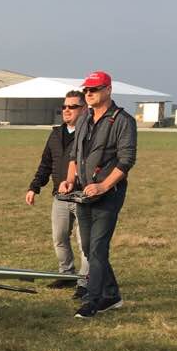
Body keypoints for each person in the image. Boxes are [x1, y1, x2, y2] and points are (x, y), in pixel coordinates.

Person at [58, 70, 137, 319]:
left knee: (98, 248)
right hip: (83, 193)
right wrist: (70, 180)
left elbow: (126, 161)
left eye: (94, 89)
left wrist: (104, 186)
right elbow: (74, 155)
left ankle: (92, 300)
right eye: (86, 90)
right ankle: (111, 295)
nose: (89, 94)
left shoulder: (123, 121)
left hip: (108, 194)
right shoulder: (84, 119)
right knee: (89, 246)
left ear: (108, 90)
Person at [24, 91, 88, 293]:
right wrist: (34, 187)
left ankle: (85, 281)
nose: (67, 110)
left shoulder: (90, 133)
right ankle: (66, 275)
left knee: (84, 241)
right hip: (59, 196)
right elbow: (46, 164)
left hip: (84, 197)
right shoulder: (55, 134)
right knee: (60, 237)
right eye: (64, 107)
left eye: (72, 106)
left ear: (84, 109)